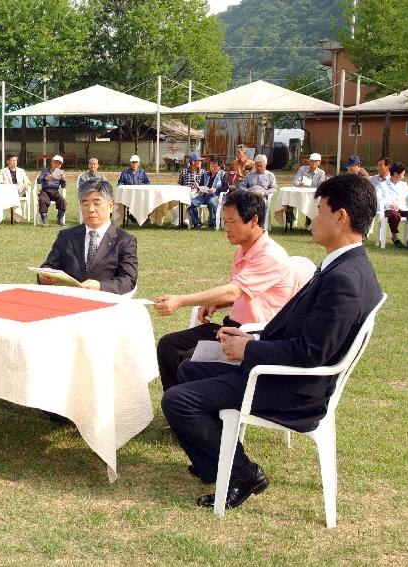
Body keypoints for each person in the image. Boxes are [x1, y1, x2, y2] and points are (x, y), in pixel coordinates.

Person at [162, 173, 383, 510]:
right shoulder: (345, 267)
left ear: (341, 217)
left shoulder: (345, 279)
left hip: (291, 389)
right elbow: (298, 331)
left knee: (179, 400)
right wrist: (250, 336)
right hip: (282, 373)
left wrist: (250, 348)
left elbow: (311, 353)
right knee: (190, 372)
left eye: (320, 210)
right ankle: (215, 466)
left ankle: (245, 474)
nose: (313, 218)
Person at [153, 190, 294, 391]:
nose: (226, 228)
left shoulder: (270, 255)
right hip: (230, 328)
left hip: (252, 336)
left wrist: (181, 300)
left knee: (190, 359)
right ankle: (176, 411)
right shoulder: (242, 249)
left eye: (231, 222)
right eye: (224, 221)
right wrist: (216, 303)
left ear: (253, 220)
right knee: (169, 345)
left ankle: (192, 414)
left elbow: (234, 292)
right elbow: (243, 293)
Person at [38, 179, 137, 294]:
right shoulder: (66, 236)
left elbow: (128, 279)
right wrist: (43, 276)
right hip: (69, 301)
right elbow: (49, 266)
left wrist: (101, 286)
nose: (90, 209)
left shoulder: (125, 240)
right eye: (85, 203)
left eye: (97, 203)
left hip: (105, 304)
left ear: (110, 206)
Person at [378, 162, 408, 249]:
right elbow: (378, 198)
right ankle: (395, 237)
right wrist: (390, 203)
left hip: (403, 208)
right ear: (396, 174)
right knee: (394, 215)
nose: (403, 176)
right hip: (389, 209)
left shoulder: (403, 185)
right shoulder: (382, 185)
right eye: (403, 174)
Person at [0, 153, 33, 222]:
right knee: (13, 189)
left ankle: (16, 216)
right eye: (12, 160)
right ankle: (17, 216)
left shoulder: (21, 171)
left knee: (20, 185)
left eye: (15, 160)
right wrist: (6, 186)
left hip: (20, 192)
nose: (14, 162)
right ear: (8, 162)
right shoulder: (3, 171)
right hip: (8, 192)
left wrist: (26, 184)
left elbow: (27, 181)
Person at [180, 152, 212, 229]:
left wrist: (198, 190)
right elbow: (180, 184)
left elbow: (205, 185)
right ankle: (192, 221)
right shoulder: (184, 171)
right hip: (186, 193)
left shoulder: (203, 172)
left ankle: (192, 221)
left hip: (198, 193)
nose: (201, 162)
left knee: (193, 201)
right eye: (199, 160)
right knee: (183, 202)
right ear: (193, 162)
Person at [36, 154, 67, 226]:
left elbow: (63, 186)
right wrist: (45, 178)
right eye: (55, 162)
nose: (57, 165)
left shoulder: (60, 172)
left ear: (61, 165)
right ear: (52, 162)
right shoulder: (45, 170)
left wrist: (64, 180)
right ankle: (44, 219)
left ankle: (59, 219)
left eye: (59, 163)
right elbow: (38, 181)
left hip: (55, 191)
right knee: (42, 199)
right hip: (45, 190)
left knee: (62, 200)